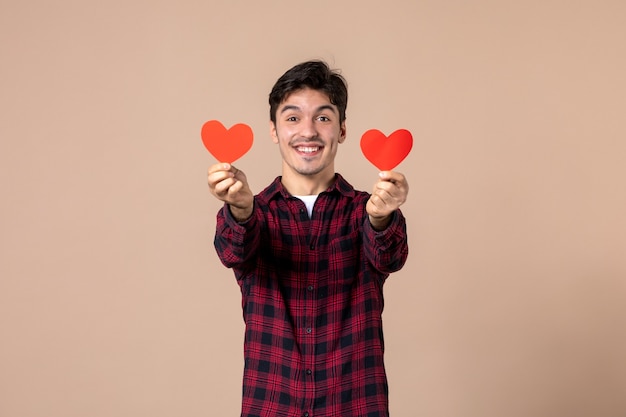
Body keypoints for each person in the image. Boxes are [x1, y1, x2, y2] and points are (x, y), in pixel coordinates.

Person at [208, 60, 409, 417]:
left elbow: (389, 255)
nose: (308, 131)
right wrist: (240, 209)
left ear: (342, 129)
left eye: (322, 117)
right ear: (274, 130)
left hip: (356, 404)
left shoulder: (367, 210)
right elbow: (233, 250)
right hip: (272, 404)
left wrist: (381, 217)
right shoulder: (256, 213)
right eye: (292, 117)